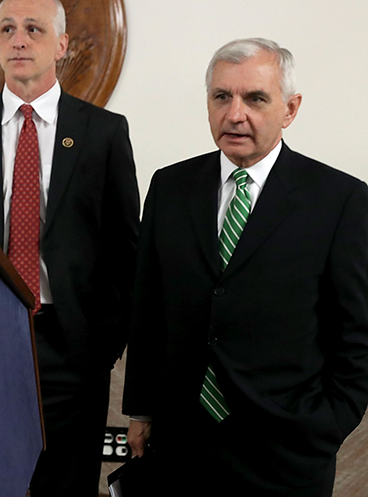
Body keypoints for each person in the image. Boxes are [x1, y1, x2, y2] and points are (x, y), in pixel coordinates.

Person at [123, 38, 368, 496]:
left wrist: (326, 426)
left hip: (286, 454)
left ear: (290, 109)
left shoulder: (341, 201)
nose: (235, 114)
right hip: (180, 447)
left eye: (255, 98)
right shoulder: (170, 186)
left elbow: (357, 336)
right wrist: (140, 410)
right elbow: (148, 306)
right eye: (222, 97)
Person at [0, 0, 140, 496]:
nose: (19, 39)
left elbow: (125, 250)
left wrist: (102, 345)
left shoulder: (103, 133)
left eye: (34, 28)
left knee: (66, 487)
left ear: (62, 44)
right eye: (7, 29)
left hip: (71, 346)